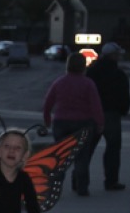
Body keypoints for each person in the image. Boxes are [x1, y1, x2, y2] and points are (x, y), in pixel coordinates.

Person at [42, 50, 104, 196]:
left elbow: (48, 103)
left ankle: (54, 188)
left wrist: (47, 120)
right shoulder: (88, 84)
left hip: (61, 123)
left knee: (60, 158)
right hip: (83, 123)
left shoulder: (59, 82)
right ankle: (82, 188)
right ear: (84, 66)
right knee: (82, 157)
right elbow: (96, 106)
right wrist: (100, 123)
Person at [86, 42, 130, 191]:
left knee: (87, 149)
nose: (119, 57)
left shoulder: (91, 72)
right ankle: (111, 181)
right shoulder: (118, 74)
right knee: (112, 149)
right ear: (113, 55)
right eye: (117, 54)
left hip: (92, 114)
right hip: (111, 113)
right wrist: (123, 110)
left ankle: (79, 180)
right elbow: (124, 95)